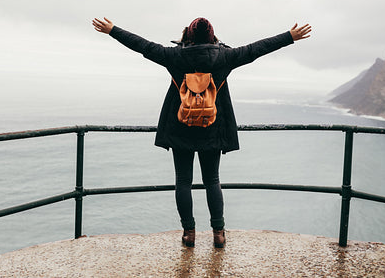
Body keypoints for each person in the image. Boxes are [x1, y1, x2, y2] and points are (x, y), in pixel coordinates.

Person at [92, 16, 311, 248]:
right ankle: (218, 233)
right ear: (213, 36)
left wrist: (112, 30)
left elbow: (143, 46)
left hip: (180, 126)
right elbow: (257, 49)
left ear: (187, 35)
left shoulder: (173, 56)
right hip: (213, 127)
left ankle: (189, 234)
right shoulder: (226, 57)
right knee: (212, 180)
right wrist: (290, 37)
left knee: (183, 181)